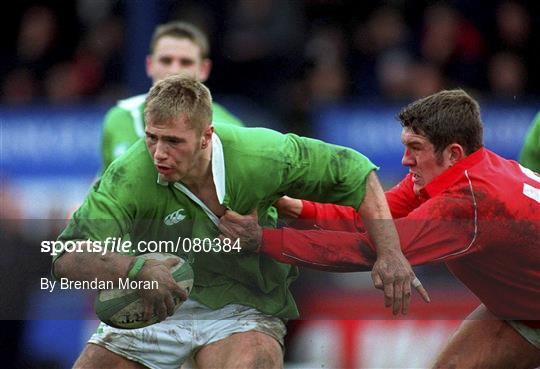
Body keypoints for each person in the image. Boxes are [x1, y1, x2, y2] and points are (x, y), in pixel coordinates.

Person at [52, 75, 422, 369]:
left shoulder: (261, 155)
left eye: (174, 141)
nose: (159, 153)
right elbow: (67, 256)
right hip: (157, 304)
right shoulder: (130, 174)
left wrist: (390, 253)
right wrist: (135, 268)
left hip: (243, 302)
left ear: (205, 137)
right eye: (152, 138)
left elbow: (357, 173)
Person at [219, 89, 540, 368]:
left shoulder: (468, 202)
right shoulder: (466, 171)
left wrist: (264, 240)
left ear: (453, 153)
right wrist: (301, 207)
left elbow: (368, 250)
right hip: (522, 311)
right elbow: (369, 219)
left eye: (415, 148)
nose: (404, 160)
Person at [101, 21, 244, 171]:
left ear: (204, 69)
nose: (174, 70)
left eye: (186, 62)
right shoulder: (118, 119)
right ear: (150, 65)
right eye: (166, 60)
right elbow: (104, 185)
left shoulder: (229, 129)